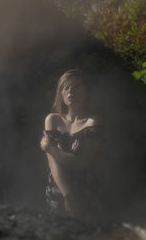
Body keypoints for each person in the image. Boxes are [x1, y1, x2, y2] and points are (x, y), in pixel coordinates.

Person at [40, 69, 105, 220]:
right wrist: (68, 195)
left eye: (76, 86)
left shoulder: (93, 123)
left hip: (86, 191)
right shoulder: (52, 120)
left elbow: (81, 163)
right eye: (66, 87)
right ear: (61, 93)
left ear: (86, 92)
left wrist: (50, 148)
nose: (70, 91)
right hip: (58, 192)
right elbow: (52, 162)